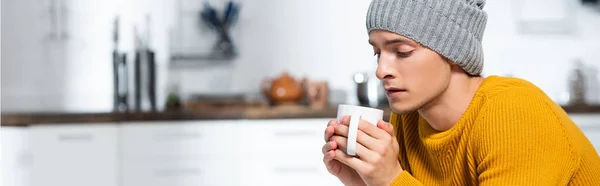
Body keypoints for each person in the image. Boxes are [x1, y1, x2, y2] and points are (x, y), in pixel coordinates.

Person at [322, 0, 600, 185]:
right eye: (377, 52)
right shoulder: (408, 121)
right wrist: (366, 182)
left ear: (453, 50)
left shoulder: (513, 113)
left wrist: (393, 180)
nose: (382, 70)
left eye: (402, 52)